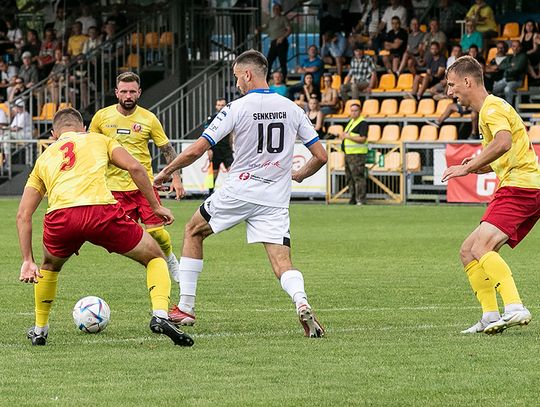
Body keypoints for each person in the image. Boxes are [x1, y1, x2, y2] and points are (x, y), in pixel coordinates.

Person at [153, 50, 327, 338]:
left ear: (247, 74)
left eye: (237, 78)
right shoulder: (292, 108)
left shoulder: (236, 108)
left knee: (193, 230)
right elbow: (320, 156)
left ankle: (185, 308)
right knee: (282, 262)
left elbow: (198, 149)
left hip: (240, 190)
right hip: (274, 199)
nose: (236, 85)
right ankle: (301, 301)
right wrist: (298, 174)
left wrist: (166, 171)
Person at [17, 107, 193, 347]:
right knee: (155, 257)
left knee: (49, 266)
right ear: (84, 128)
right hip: (101, 211)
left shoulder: (44, 158)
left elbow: (23, 214)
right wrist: (156, 206)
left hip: (61, 218)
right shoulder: (100, 139)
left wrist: (27, 259)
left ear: (53, 134)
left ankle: (40, 329)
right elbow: (136, 168)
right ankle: (160, 315)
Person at [442, 56, 539, 334]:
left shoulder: (492, 108)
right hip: (520, 187)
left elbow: (503, 142)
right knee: (468, 252)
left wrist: (469, 167)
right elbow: (498, 154)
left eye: (452, 85)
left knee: (482, 248)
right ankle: (490, 314)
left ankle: (514, 306)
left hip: (519, 187)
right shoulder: (491, 109)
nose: (450, 92)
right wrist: (471, 167)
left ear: (467, 81)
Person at [89, 72, 184, 284]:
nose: (128, 95)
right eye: (124, 91)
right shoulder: (101, 117)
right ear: (116, 93)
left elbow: (167, 149)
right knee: (123, 238)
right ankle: (151, 261)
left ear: (139, 93)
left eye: (132, 91)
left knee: (158, 232)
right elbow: (91, 148)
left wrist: (176, 178)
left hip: (144, 186)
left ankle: (169, 259)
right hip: (113, 188)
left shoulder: (149, 119)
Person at [338, 103, 368, 205]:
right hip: (348, 154)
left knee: (358, 177)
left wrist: (348, 137)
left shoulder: (362, 123)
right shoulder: (351, 122)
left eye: (355, 110)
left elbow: (363, 139)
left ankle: (360, 199)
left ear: (360, 111)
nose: (353, 113)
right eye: (352, 110)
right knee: (349, 177)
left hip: (357, 154)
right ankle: (353, 198)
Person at [205, 97, 234, 195]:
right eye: (219, 105)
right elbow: (206, 134)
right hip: (215, 148)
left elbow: (231, 134)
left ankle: (233, 191)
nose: (221, 107)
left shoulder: (230, 117)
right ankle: (209, 192)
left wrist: (231, 146)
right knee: (214, 172)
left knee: (232, 170)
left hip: (226, 148)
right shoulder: (211, 118)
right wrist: (209, 149)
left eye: (223, 105)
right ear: (216, 106)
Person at [259, 3, 292, 80]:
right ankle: (266, 80)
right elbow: (265, 26)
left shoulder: (283, 18)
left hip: (281, 42)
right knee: (268, 61)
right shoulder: (271, 20)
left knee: (282, 62)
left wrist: (282, 38)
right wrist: (258, 29)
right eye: (274, 9)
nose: (276, 10)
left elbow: (289, 29)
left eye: (277, 9)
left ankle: (283, 80)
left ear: (280, 10)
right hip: (273, 42)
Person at [492, 40, 527, 105]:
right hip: (506, 79)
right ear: (511, 47)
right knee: (493, 88)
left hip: (516, 80)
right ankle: (497, 107)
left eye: (517, 47)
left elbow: (517, 68)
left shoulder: (523, 56)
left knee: (507, 89)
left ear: (520, 47)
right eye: (513, 46)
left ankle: (509, 110)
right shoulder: (509, 56)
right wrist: (510, 65)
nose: (515, 48)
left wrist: (508, 67)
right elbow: (500, 66)